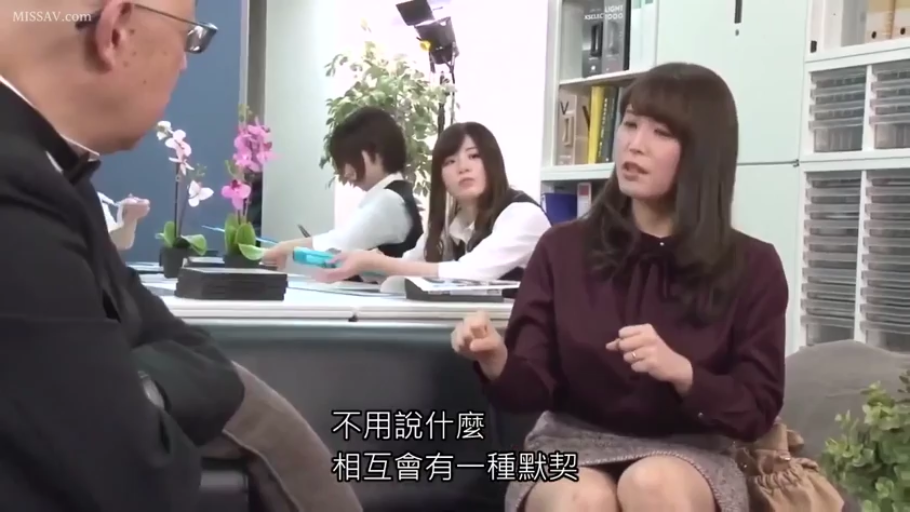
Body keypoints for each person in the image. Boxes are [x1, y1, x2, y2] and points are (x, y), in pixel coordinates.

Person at [451, 63, 788, 512]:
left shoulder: (753, 266)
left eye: (661, 132)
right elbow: (529, 392)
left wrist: (684, 374)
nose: (635, 143)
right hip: (567, 443)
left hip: (694, 453)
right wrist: (496, 359)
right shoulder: (561, 249)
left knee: (651, 484)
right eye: (630, 124)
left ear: (702, 152)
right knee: (582, 498)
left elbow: (756, 409)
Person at [0, 1, 235, 510]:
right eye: (188, 39)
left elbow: (204, 359)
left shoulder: (62, 182)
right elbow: (137, 476)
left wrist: (137, 389)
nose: (184, 63)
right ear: (114, 31)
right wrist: (138, 396)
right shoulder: (14, 189)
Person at [317, 122, 551, 288]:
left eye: (474, 156)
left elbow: (470, 273)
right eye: (450, 161)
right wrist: (361, 264)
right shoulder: (451, 224)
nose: (463, 167)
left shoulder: (523, 215)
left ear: (493, 162)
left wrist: (377, 262)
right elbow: (408, 266)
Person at [262, 106, 422, 267]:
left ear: (377, 151)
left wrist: (284, 248)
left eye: (352, 159)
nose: (346, 173)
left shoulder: (389, 200)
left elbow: (341, 243)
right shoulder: (393, 194)